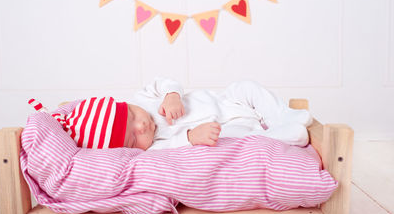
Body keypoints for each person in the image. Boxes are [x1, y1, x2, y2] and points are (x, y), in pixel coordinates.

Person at [29, 78, 312, 151]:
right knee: (234, 142)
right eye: (131, 140)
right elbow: (172, 149)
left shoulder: (145, 98)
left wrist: (172, 94)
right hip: (229, 128)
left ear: (126, 105)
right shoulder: (153, 148)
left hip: (230, 104)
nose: (141, 127)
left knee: (245, 87)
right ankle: (278, 137)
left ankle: (281, 116)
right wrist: (191, 136)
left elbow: (163, 80)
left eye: (132, 118)